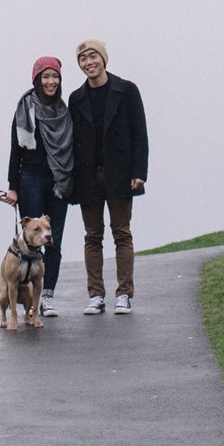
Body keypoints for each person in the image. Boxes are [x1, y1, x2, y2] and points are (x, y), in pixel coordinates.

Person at [68, 37, 147, 314]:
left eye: (93, 56)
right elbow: (72, 140)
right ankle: (96, 295)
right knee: (92, 236)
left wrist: (139, 171)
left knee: (121, 233)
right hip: (87, 177)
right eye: (83, 59)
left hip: (121, 174)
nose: (88, 62)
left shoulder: (127, 90)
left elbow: (140, 132)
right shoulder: (76, 98)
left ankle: (124, 294)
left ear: (103, 58)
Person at [0, 56, 74, 314]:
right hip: (30, 178)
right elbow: (15, 150)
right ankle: (28, 297)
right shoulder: (25, 108)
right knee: (31, 242)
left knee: (53, 240)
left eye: (55, 77)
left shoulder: (64, 111)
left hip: (59, 181)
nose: (51, 81)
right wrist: (12, 186)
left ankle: (47, 296)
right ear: (37, 80)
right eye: (46, 77)